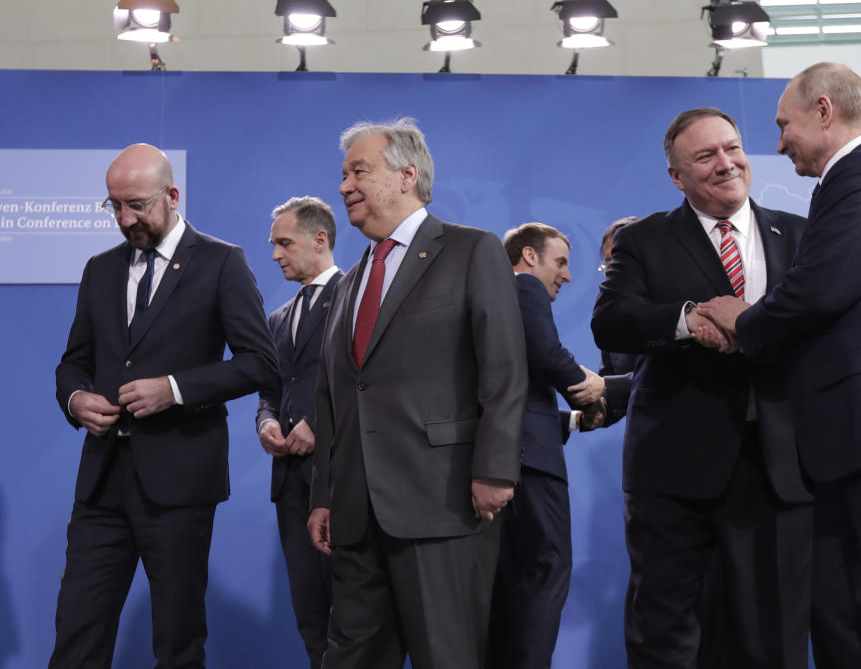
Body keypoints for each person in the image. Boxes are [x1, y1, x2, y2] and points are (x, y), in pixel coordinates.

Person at [698, 62, 861, 669]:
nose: (779, 140)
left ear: (823, 111)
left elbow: (820, 290)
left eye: (783, 124)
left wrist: (744, 321)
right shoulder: (842, 185)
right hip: (851, 437)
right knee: (843, 617)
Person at [591, 108, 812, 669]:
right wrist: (688, 320)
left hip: (779, 466)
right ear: (677, 177)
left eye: (732, 148)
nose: (725, 164)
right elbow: (610, 320)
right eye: (705, 156)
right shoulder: (644, 239)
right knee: (666, 631)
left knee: (772, 629)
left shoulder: (799, 233)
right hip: (674, 468)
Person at [305, 118, 528, 669]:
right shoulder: (352, 279)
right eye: (343, 174)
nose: (344, 186)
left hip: (443, 501)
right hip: (357, 515)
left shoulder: (470, 250)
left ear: (407, 176)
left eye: (359, 170)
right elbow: (335, 395)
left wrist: (496, 469)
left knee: (445, 657)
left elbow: (503, 367)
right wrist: (324, 494)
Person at [51, 143, 278, 669]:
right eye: (115, 206)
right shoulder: (99, 269)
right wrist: (75, 398)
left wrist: (173, 388)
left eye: (137, 205)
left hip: (179, 485)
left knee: (177, 643)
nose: (125, 219)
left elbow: (260, 363)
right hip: (102, 482)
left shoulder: (223, 262)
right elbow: (72, 363)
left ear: (172, 195)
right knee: (76, 637)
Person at [487, 222, 605, 669]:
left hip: (502, 460)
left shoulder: (488, 300)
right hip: (532, 466)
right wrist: (586, 385)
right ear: (530, 257)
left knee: (509, 583)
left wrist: (571, 420)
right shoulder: (523, 288)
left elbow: (509, 390)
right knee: (546, 572)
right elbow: (545, 349)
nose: (568, 275)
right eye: (561, 262)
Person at [256, 196, 343, 668]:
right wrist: (266, 421)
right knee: (310, 616)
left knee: (351, 615)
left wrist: (318, 424)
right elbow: (269, 390)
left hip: (341, 479)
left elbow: (367, 382)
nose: (275, 254)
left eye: (284, 243)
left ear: (320, 239)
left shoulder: (356, 298)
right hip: (290, 484)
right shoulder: (278, 317)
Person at [597, 217, 639, 426]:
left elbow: (669, 377)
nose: (612, 272)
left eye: (618, 261)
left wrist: (603, 385)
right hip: (645, 438)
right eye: (608, 265)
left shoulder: (678, 298)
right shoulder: (611, 315)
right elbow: (609, 377)